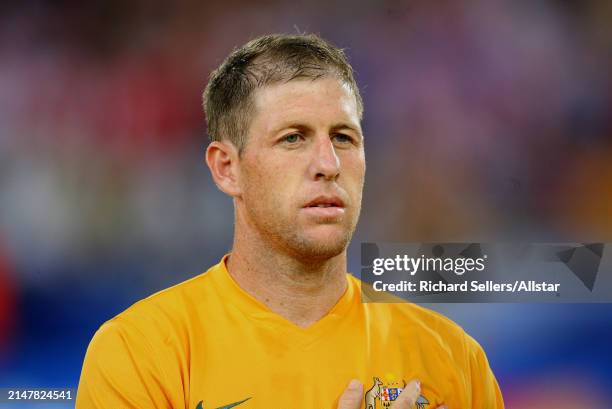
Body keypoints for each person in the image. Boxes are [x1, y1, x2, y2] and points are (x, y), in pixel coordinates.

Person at [76, 33, 504, 409]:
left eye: (343, 137)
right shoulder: (140, 352)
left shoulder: (452, 357)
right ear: (227, 168)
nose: (328, 163)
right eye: (293, 138)